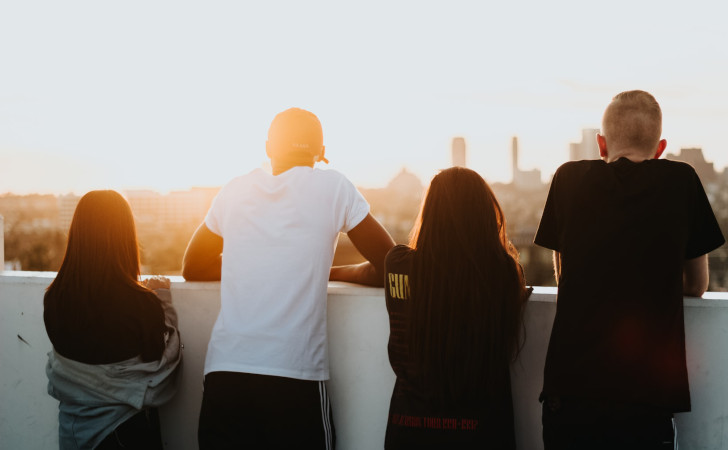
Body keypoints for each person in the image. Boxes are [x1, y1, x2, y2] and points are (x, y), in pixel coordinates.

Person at [183, 107, 395, 449]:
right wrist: (323, 272)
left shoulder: (235, 189)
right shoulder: (333, 187)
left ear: (269, 147)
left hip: (226, 373)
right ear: (320, 153)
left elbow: (192, 266)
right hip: (294, 377)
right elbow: (391, 263)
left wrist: (255, 263)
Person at [534, 90, 726, 449]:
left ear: (601, 144)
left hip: (571, 393)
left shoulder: (567, 180)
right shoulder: (681, 181)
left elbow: (566, 277)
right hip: (646, 399)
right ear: (660, 147)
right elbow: (696, 285)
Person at [383, 167, 529, 449]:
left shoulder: (397, 264)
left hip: (410, 433)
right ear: (485, 214)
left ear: (430, 213)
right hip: (482, 435)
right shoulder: (503, 273)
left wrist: (331, 272)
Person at [44, 190, 182, 450]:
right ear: (124, 237)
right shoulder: (140, 304)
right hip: (124, 432)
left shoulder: (54, 299)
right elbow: (161, 362)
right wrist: (162, 300)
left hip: (71, 431)